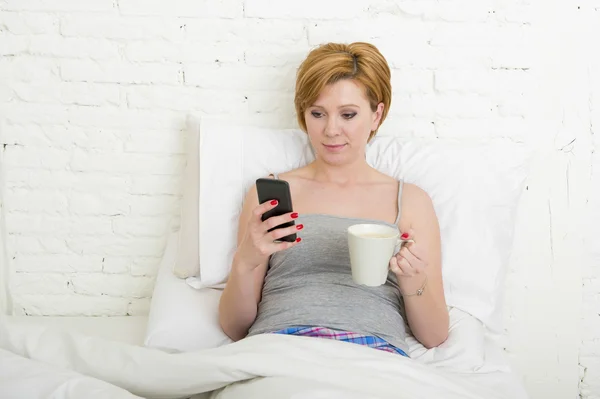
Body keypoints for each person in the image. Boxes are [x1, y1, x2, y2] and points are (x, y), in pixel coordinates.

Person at [218, 42, 449, 356]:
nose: (331, 130)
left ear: (376, 115)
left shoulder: (410, 201)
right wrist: (246, 260)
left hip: (372, 356)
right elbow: (235, 328)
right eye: (318, 113)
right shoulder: (269, 196)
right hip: (279, 350)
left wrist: (413, 280)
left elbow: (434, 336)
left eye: (348, 114)